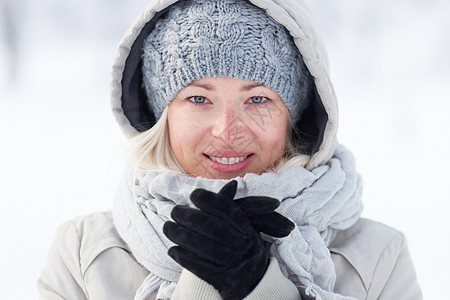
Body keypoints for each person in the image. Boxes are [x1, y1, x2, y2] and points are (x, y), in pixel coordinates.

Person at [38, 0, 423, 299]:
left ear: (295, 117)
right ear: (163, 114)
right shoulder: (83, 252)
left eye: (257, 99)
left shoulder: (378, 257)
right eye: (198, 99)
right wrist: (203, 283)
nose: (226, 131)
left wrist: (260, 287)